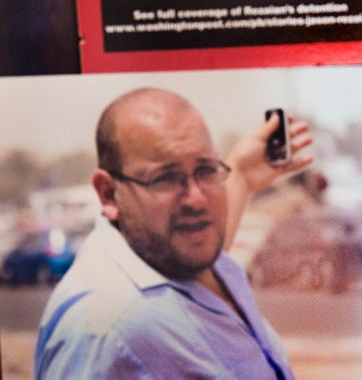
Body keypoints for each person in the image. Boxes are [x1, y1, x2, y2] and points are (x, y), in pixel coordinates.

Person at [34, 87, 313, 380]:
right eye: (165, 178)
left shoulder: (172, 257)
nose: (196, 199)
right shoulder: (107, 331)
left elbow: (197, 271)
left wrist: (240, 176)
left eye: (206, 170)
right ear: (108, 194)